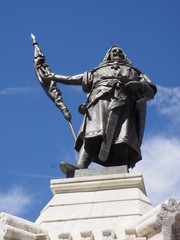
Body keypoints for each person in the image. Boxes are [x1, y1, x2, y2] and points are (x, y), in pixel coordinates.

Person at [38, 46, 157, 174]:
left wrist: (140, 85)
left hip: (124, 104)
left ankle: (121, 169)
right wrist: (53, 77)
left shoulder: (135, 73)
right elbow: (74, 79)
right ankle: (81, 166)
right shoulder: (97, 71)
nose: (116, 52)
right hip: (98, 103)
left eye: (119, 51)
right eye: (113, 51)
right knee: (91, 134)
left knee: (123, 138)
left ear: (124, 55)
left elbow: (150, 93)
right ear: (108, 55)